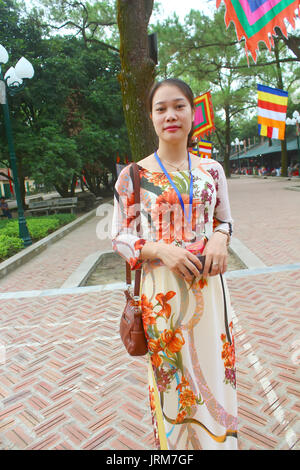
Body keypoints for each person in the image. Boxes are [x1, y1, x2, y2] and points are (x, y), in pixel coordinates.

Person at [111, 78, 238, 450]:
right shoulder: (133, 175)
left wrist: (220, 237)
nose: (171, 115)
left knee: (217, 373)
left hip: (211, 293)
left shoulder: (212, 170)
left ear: (192, 112)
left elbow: (225, 220)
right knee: (171, 382)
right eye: (161, 108)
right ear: (150, 117)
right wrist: (159, 250)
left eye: (179, 106)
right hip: (160, 296)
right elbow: (118, 235)